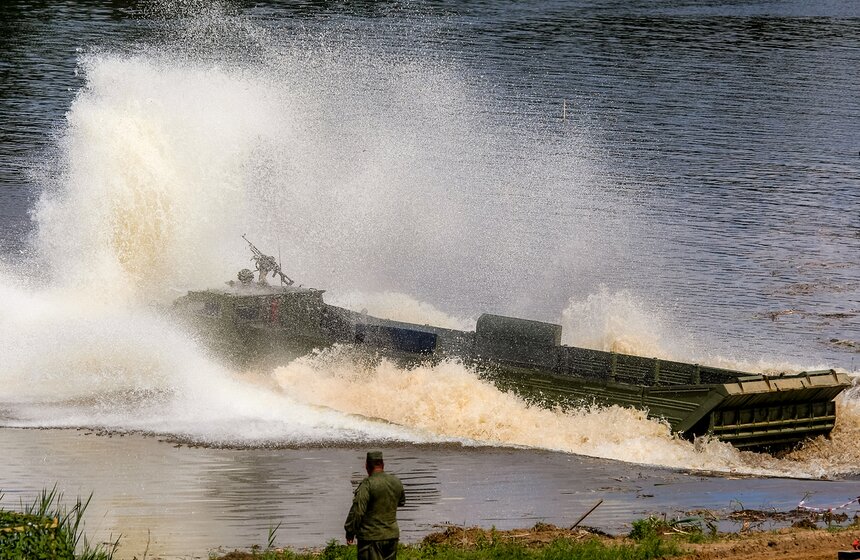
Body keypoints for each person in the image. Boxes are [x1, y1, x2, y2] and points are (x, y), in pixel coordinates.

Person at [344, 451, 406, 560]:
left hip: (371, 538)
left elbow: (358, 511)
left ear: (367, 466)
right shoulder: (396, 481)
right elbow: (401, 502)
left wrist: (350, 531)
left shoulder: (367, 484)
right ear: (383, 464)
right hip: (392, 536)